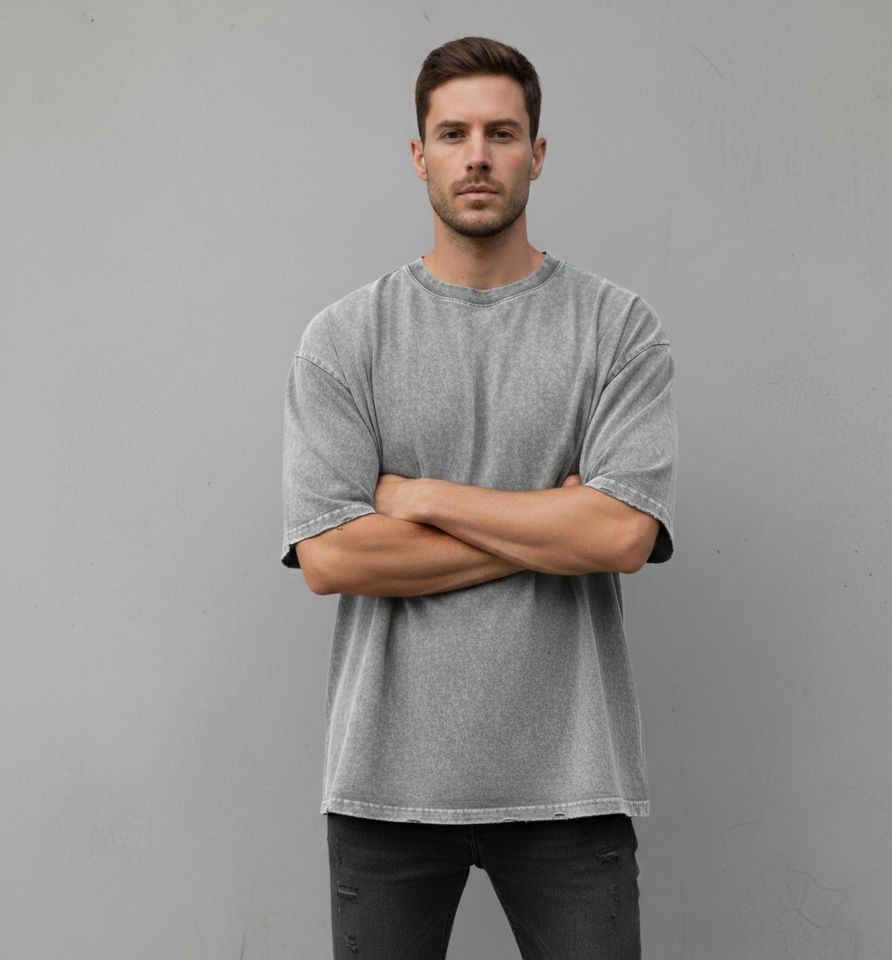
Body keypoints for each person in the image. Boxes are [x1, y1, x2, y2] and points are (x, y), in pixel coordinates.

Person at [281, 35, 677, 960]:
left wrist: (420, 497)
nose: (477, 156)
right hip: (386, 787)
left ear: (537, 153)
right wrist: (552, 520)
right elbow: (332, 557)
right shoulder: (344, 338)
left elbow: (620, 537)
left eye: (501, 133)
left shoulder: (618, 328)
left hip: (572, 785)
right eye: (453, 134)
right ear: (418, 155)